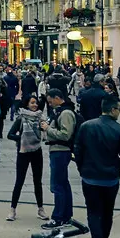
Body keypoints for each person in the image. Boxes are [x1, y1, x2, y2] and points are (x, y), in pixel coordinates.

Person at [74, 96, 120, 238]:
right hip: (110, 178)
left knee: (93, 212)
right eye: (119, 109)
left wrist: (82, 168)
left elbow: (78, 149)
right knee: (107, 212)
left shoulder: (86, 126)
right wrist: (119, 170)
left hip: (90, 176)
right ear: (113, 110)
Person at [5, 95, 47, 222]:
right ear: (27, 104)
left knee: (37, 181)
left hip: (37, 150)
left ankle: (41, 208)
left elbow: (43, 133)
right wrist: (22, 138)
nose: (35, 105)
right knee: (20, 181)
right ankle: (12, 209)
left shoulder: (40, 118)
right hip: (23, 151)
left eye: (36, 103)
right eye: (32, 103)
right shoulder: (21, 118)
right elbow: (10, 135)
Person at [42, 88, 76, 228]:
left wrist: (48, 129)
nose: (49, 104)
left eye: (50, 102)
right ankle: (66, 216)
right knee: (63, 183)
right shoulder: (61, 111)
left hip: (61, 151)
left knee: (58, 185)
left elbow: (65, 134)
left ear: (57, 98)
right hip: (58, 150)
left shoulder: (66, 113)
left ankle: (58, 217)